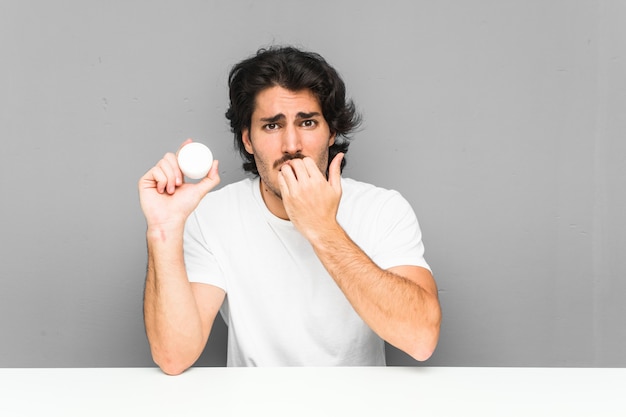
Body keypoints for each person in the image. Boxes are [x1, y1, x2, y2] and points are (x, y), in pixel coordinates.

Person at [138, 46, 441, 374]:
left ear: (331, 133)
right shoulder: (212, 215)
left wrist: (323, 228)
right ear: (248, 140)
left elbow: (421, 339)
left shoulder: (382, 210)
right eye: (272, 126)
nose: (292, 144)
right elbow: (174, 356)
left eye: (308, 122)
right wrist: (163, 230)